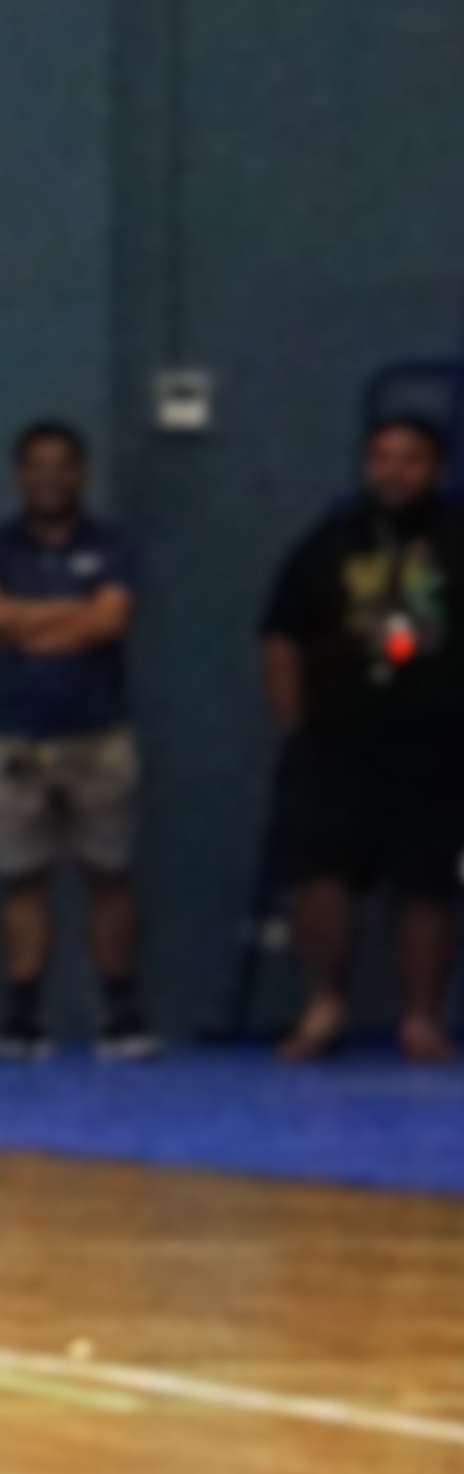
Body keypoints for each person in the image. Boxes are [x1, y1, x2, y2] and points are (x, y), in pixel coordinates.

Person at [260, 412, 464, 1063]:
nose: (393, 471)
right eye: (381, 457)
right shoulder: (329, 541)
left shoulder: (457, 538)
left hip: (436, 744)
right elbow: (280, 633)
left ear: (434, 466)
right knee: (320, 876)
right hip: (337, 742)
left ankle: (421, 1019)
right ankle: (323, 1006)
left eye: (409, 458)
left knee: (428, 883)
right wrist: (296, 727)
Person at [0, 420, 151, 1059]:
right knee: (22, 878)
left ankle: (121, 1014)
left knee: (109, 873)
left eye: (62, 464)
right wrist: (72, 611)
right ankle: (23, 1017)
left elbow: (109, 621)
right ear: (19, 476)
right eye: (36, 465)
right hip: (16, 735)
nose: (49, 477)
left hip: (98, 732)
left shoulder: (113, 544)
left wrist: (28, 623)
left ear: (83, 474)